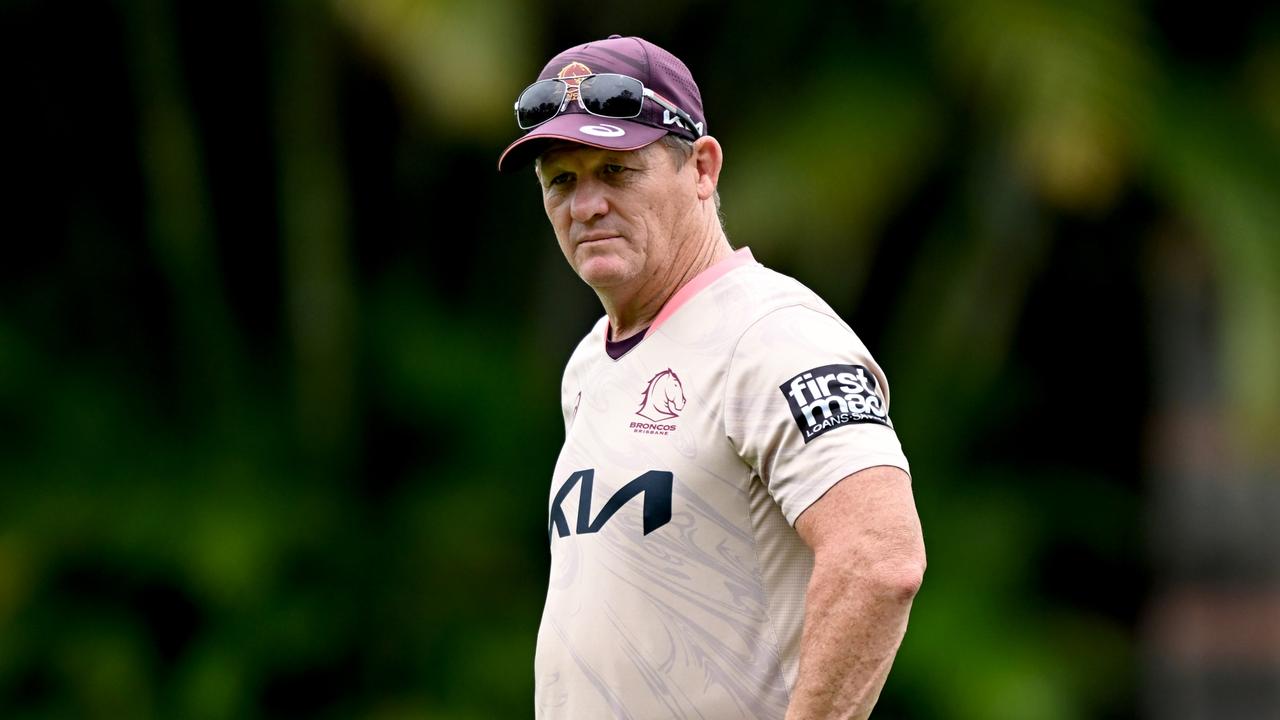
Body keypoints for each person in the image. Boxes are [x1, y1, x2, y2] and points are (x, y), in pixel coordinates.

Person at [498, 34, 926, 720]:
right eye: (562, 180)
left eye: (615, 171)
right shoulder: (587, 365)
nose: (585, 206)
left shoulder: (772, 334)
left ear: (701, 167)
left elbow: (880, 558)